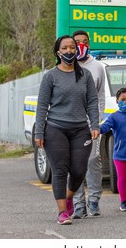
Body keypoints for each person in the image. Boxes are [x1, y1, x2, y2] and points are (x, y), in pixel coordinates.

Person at [34, 35, 100, 225]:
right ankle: (63, 212)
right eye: (65, 48)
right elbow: (42, 106)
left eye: (72, 47)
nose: (69, 51)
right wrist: (39, 133)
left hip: (80, 129)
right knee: (60, 170)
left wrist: (94, 124)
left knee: (79, 170)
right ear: (58, 52)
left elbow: (92, 102)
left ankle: (69, 197)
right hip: (55, 129)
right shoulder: (50, 76)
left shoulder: (85, 75)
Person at [71, 30, 106, 218]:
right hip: (70, 124)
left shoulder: (98, 67)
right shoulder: (67, 65)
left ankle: (93, 200)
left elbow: (100, 97)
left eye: (85, 42)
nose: (81, 45)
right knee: (74, 164)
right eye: (77, 42)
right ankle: (78, 204)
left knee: (92, 161)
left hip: (90, 125)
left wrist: (96, 122)